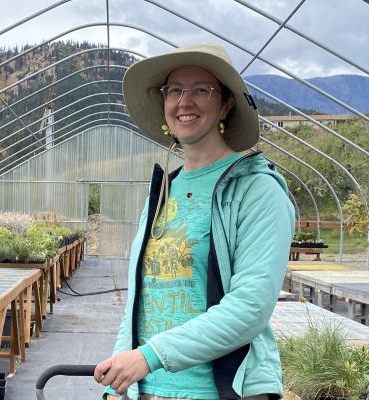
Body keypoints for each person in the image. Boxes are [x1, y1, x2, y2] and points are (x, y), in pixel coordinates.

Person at [93, 44, 294, 400]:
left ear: (227, 103)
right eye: (174, 90)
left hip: (221, 390)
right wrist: (118, 385)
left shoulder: (257, 189)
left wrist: (150, 356)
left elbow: (251, 307)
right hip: (149, 390)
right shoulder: (164, 191)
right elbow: (140, 299)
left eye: (202, 90)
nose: (185, 102)